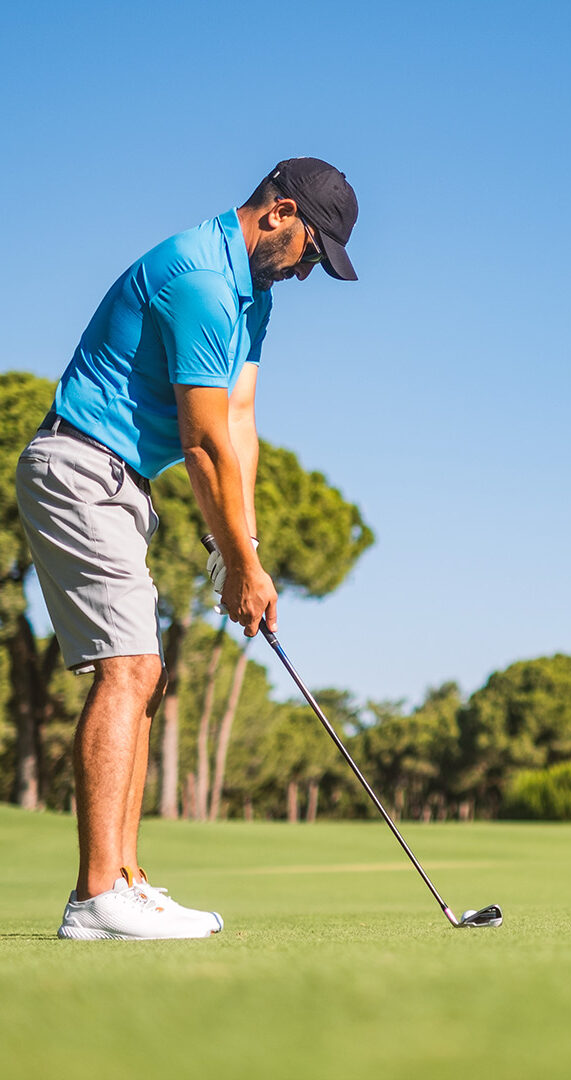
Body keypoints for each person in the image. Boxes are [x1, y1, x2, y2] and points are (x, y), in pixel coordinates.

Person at [15, 157, 358, 940]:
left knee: (145, 674)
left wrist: (242, 544)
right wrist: (239, 567)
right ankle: (96, 896)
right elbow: (202, 446)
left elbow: (239, 420)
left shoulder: (251, 296)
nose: (308, 270)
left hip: (121, 481)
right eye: (312, 249)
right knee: (129, 669)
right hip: (80, 465)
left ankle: (126, 882)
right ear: (277, 211)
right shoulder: (200, 279)